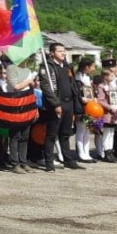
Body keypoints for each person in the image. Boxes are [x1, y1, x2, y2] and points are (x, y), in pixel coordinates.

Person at [40, 42, 83, 171]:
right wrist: (55, 103)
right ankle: (49, 162)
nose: (63, 53)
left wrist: (76, 103)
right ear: (52, 53)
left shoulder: (67, 66)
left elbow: (73, 85)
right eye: (60, 51)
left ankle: (68, 159)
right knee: (52, 134)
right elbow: (46, 87)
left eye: (64, 51)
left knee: (65, 133)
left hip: (68, 103)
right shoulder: (47, 66)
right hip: (55, 104)